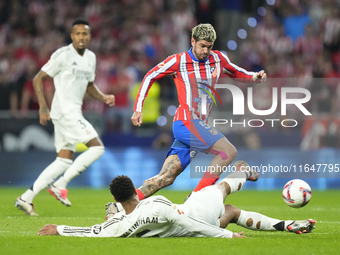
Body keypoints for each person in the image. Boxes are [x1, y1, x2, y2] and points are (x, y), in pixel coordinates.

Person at [131, 24, 266, 201]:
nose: (205, 51)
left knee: (166, 177)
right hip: (186, 122)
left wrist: (253, 77)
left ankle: (123, 204)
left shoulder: (217, 58)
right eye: (202, 46)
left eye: (209, 47)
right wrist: (138, 108)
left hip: (197, 126)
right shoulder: (178, 60)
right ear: (192, 41)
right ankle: (195, 199)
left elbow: (235, 71)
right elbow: (150, 75)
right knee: (228, 152)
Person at [15, 18, 115, 216]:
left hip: (71, 111)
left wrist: (102, 96)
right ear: (72, 36)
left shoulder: (91, 58)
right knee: (97, 148)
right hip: (65, 111)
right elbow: (38, 78)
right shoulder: (62, 55)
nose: (81, 37)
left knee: (63, 160)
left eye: (84, 34)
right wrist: (43, 106)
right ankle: (61, 183)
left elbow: (88, 85)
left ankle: (26, 198)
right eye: (77, 33)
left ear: (89, 36)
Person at [38, 172, 315, 237]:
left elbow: (92, 231)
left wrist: (60, 229)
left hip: (198, 222)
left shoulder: (120, 225)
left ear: (116, 200)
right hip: (195, 212)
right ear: (136, 191)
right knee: (221, 189)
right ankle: (243, 173)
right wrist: (227, 235)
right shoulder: (153, 203)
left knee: (230, 213)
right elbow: (186, 220)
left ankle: (287, 225)